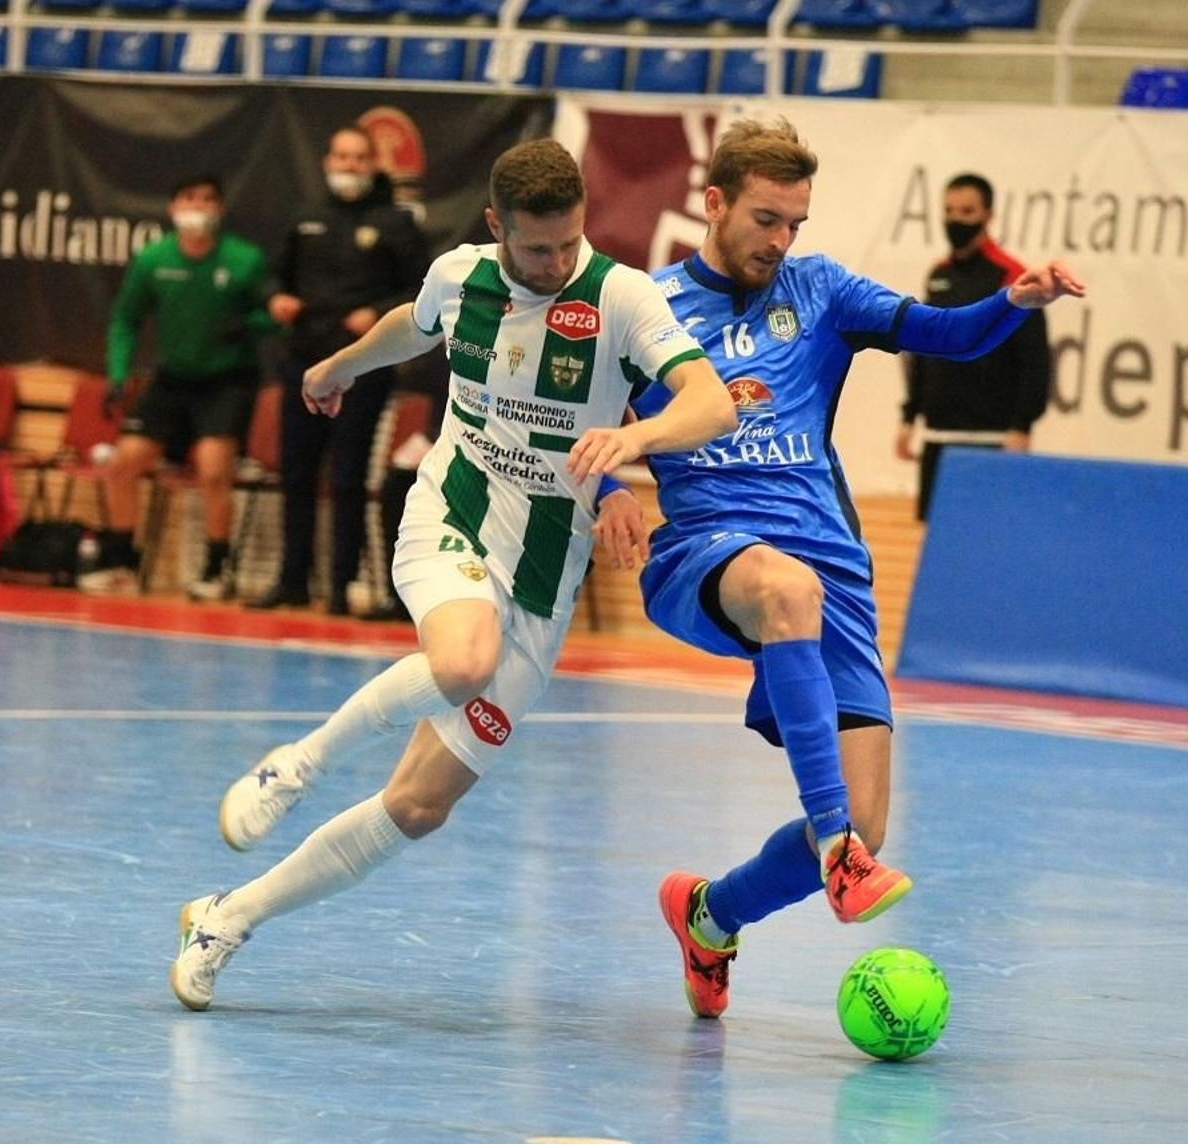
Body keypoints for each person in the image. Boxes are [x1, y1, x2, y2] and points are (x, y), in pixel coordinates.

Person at [169, 138, 737, 1012]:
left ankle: (226, 918)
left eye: (568, 242)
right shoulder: (460, 274)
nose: (554, 263)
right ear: (495, 226)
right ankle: (297, 765)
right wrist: (338, 367)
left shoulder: (621, 295)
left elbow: (711, 402)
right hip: (456, 511)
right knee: (464, 660)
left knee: (419, 806)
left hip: (546, 571)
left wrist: (631, 446)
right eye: (536, 248)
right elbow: (415, 321)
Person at [630, 119, 1083, 1019]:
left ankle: (711, 914)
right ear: (714, 203)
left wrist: (1013, 302)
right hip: (706, 551)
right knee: (784, 591)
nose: (780, 239)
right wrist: (610, 491)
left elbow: (944, 334)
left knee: (869, 815)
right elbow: (579, 419)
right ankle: (841, 854)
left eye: (794, 222)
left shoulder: (821, 289)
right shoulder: (646, 307)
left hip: (830, 569)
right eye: (765, 219)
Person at [247, 126, 431, 617]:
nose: (349, 166)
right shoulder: (304, 216)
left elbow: (421, 289)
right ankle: (292, 580)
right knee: (296, 472)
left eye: (358, 158)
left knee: (348, 475)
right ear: (327, 161)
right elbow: (271, 275)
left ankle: (340, 586)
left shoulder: (395, 222)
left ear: (372, 165)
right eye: (342, 156)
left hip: (363, 364)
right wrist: (276, 298)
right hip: (305, 358)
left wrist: (378, 312)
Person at [79, 174, 272, 600]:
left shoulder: (244, 260)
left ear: (220, 209)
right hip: (172, 379)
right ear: (173, 208)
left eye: (207, 199)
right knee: (123, 462)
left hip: (226, 379)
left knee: (213, 468)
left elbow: (274, 314)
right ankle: (122, 565)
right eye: (189, 198)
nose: (198, 207)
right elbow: (125, 319)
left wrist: (250, 323)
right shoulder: (153, 259)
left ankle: (216, 569)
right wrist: (117, 374)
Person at [897, 172, 1051, 521]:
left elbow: (1035, 361)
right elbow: (923, 348)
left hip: (992, 438)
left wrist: (1021, 426)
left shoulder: (1013, 277)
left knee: (988, 531)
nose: (955, 220)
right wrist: (909, 417)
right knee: (936, 534)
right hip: (938, 435)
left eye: (966, 212)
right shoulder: (938, 274)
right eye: (949, 211)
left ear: (988, 215)